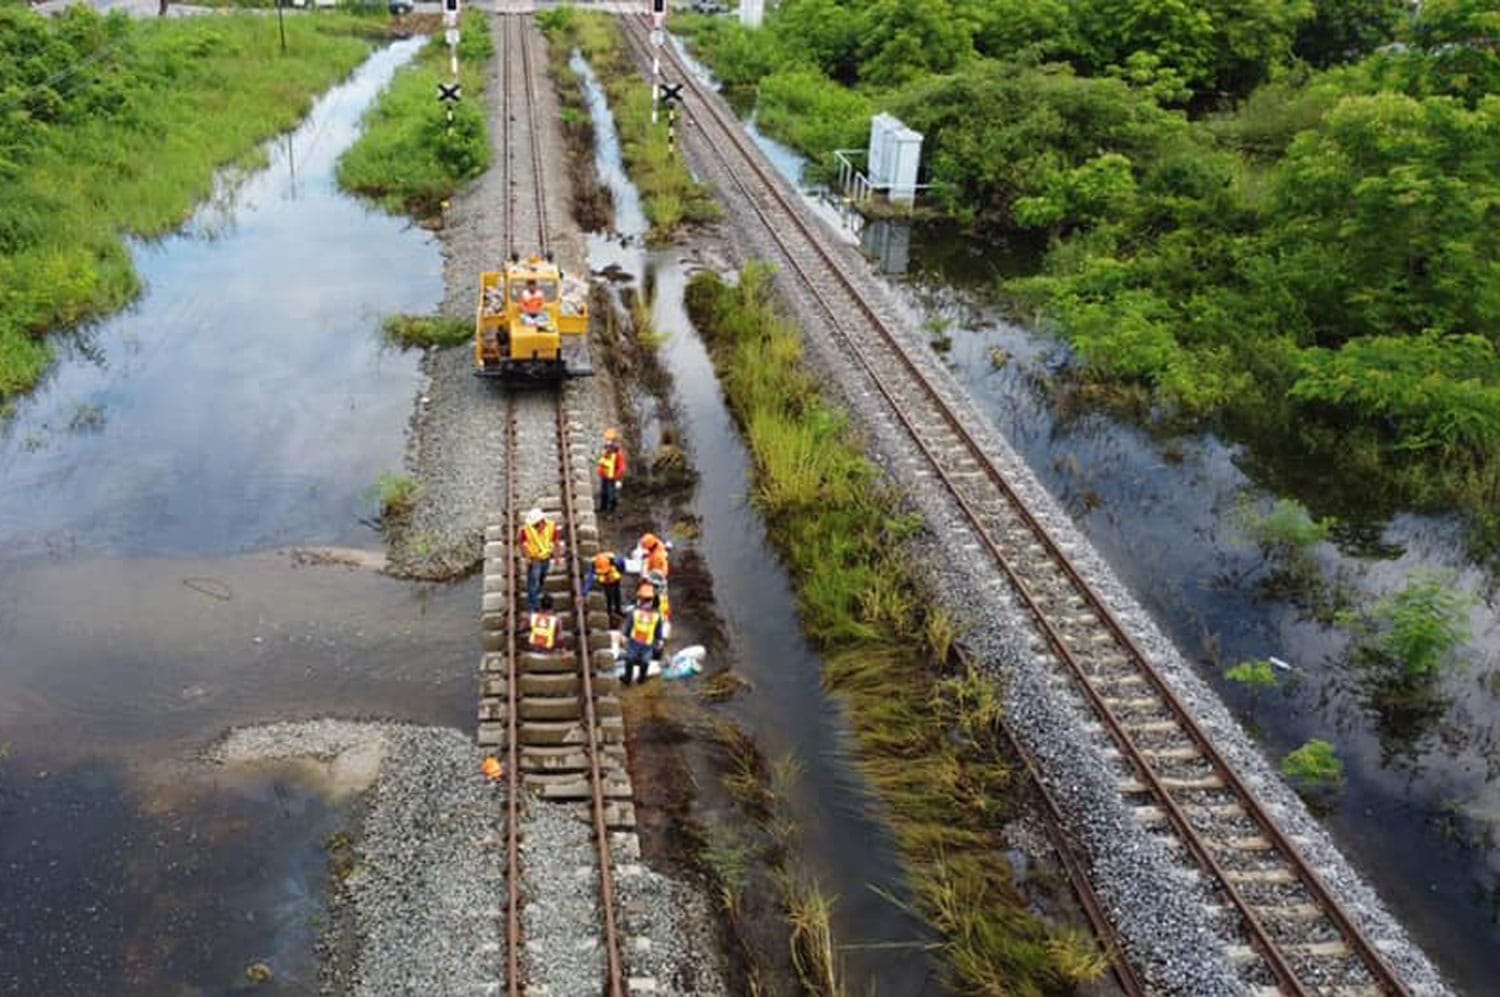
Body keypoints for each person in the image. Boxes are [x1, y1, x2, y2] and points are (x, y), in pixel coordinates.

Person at [621, 589, 664, 686]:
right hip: (635, 641)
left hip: (647, 642)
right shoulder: (635, 612)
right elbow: (629, 624)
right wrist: (625, 635)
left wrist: (660, 639)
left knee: (644, 661)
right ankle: (628, 678)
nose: (646, 603)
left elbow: (658, 629)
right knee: (630, 659)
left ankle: (641, 679)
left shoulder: (656, 615)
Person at [518, 507, 557, 613]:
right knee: (533, 582)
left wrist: (557, 557)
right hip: (534, 559)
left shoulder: (551, 526)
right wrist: (527, 556)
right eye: (534, 526)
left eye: (536, 525)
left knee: (541, 578)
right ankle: (533, 606)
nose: (535, 527)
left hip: (546, 558)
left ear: (541, 522)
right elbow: (521, 542)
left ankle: (535, 594)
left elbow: (556, 541)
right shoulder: (527, 529)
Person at [585, 550, 626, 620]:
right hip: (605, 581)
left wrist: (619, 575)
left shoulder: (617, 561)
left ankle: (618, 610)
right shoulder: (594, 564)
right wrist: (584, 592)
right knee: (608, 593)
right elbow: (590, 579)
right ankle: (609, 611)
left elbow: (622, 567)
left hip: (614, 576)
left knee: (616, 592)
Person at [596, 428, 627, 513]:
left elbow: (622, 467)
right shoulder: (606, 450)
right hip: (605, 475)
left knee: (611, 495)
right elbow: (602, 461)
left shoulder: (618, 454)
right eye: (607, 440)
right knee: (603, 493)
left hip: (612, 477)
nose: (608, 442)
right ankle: (603, 508)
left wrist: (618, 478)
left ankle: (611, 510)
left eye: (610, 440)